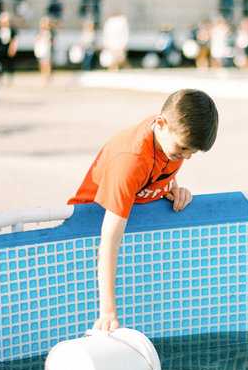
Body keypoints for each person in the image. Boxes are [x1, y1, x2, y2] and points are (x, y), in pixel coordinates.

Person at [68, 89, 219, 331]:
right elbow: (109, 239)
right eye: (183, 149)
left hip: (125, 225)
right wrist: (108, 312)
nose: (187, 157)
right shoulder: (130, 160)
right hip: (88, 233)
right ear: (160, 124)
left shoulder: (168, 135)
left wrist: (172, 188)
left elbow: (160, 169)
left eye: (193, 152)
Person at [32, 16, 55, 84]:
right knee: (41, 64)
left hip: (47, 50)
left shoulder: (50, 33)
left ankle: (47, 77)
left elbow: (53, 42)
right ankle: (43, 76)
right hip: (40, 50)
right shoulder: (39, 32)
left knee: (47, 64)